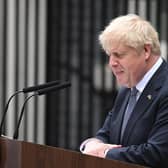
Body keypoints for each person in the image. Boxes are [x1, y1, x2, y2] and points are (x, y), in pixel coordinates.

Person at [80, 14, 168, 168]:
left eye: (118, 55)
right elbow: (106, 135)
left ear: (146, 51)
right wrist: (91, 144)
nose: (111, 63)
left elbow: (158, 152)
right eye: (109, 55)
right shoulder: (128, 88)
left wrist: (104, 153)